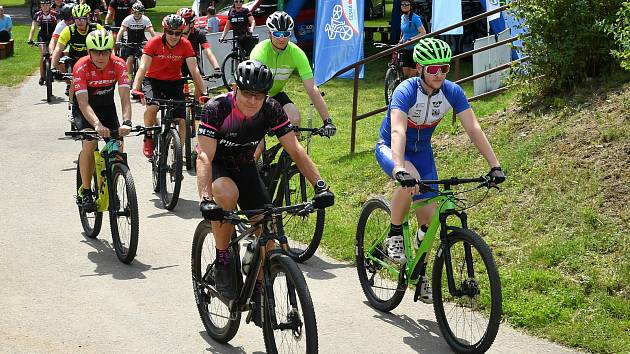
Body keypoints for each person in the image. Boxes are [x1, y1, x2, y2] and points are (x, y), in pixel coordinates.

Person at [196, 59, 334, 326]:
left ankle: (260, 293)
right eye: (247, 93)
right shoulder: (217, 109)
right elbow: (204, 157)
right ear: (235, 88)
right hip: (218, 165)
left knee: (268, 236)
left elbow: (295, 150)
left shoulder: (271, 109)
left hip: (246, 166)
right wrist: (205, 198)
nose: (252, 101)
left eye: (258, 96)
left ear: (266, 95)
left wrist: (320, 186)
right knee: (226, 194)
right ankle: (224, 257)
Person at [375, 38, 505, 302]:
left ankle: (420, 271)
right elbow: (399, 130)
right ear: (421, 67)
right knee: (412, 179)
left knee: (428, 219)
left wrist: (495, 165)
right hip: (391, 147)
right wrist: (399, 167)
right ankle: (394, 233)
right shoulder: (405, 90)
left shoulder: (452, 92)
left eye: (444, 68)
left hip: (423, 154)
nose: (439, 74)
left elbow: (473, 128)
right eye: (433, 69)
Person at [130, 14, 205, 158]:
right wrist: (135, 87)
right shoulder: (154, 42)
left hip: (174, 82)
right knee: (153, 106)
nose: (174, 36)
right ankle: (148, 135)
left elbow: (194, 71)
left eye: (178, 33)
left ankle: (178, 154)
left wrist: (203, 92)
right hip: (153, 80)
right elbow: (143, 67)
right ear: (164, 30)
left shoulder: (185, 45)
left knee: (182, 120)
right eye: (170, 32)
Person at [73, 29, 132, 211]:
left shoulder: (119, 65)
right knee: (90, 143)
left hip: (107, 108)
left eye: (105, 51)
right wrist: (97, 125)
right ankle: (86, 191)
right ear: (88, 52)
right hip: (86, 110)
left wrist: (126, 122)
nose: (100, 56)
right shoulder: (81, 67)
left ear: (111, 51)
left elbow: (124, 97)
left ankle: (112, 182)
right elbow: (83, 103)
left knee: (117, 146)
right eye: (96, 52)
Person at [250, 11, 335, 133]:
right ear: (269, 33)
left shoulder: (297, 53)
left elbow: (312, 89)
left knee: (295, 120)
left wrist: (327, 121)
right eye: (277, 33)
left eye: (286, 33)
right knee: (257, 146)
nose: (281, 38)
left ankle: (290, 152)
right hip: (256, 95)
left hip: (276, 93)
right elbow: (254, 89)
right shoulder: (259, 53)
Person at [176, 7, 220, 78]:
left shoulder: (199, 33)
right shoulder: (174, 34)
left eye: (184, 24)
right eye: (180, 24)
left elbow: (208, 51)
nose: (181, 26)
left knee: (202, 85)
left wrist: (217, 68)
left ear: (191, 24)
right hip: (178, 63)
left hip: (194, 62)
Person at [115, 2, 155, 73]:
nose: (137, 15)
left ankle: (142, 75)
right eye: (135, 13)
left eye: (139, 13)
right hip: (130, 40)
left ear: (142, 13)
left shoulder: (145, 19)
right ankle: (130, 77)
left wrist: (156, 41)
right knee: (130, 59)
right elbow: (121, 30)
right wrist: (118, 41)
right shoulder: (128, 19)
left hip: (141, 40)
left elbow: (151, 31)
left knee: (143, 58)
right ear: (132, 12)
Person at [28, 0, 58, 86]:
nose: (45, 6)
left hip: (53, 36)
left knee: (53, 54)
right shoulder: (37, 15)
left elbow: (59, 26)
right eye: (43, 5)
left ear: (50, 5)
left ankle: (52, 70)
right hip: (42, 36)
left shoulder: (54, 14)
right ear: (40, 6)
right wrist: (30, 38)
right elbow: (33, 27)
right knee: (43, 54)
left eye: (47, 5)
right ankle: (42, 76)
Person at [399, 0, 426, 78]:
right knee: (405, 74)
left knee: (412, 74)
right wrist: (401, 40)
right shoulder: (402, 17)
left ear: (411, 6)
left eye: (406, 4)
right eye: (402, 4)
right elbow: (404, 32)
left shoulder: (415, 18)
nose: (404, 6)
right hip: (405, 47)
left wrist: (411, 39)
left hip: (415, 48)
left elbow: (423, 33)